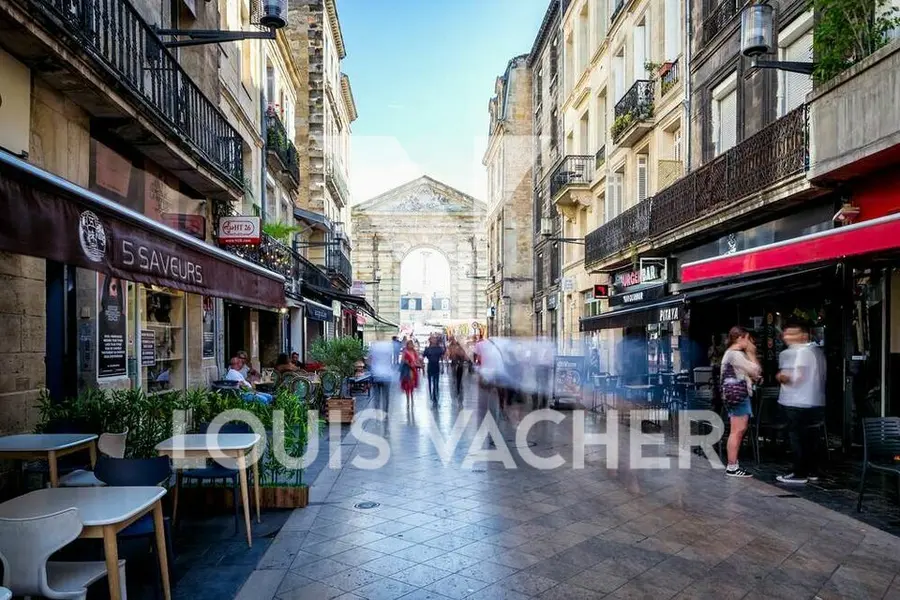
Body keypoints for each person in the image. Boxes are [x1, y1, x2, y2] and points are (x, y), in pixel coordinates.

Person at [776, 320, 826, 484]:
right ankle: (813, 471)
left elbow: (797, 377)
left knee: (797, 438)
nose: (788, 337)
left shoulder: (802, 353)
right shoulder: (816, 351)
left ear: (803, 336)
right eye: (787, 333)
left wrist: (781, 377)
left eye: (792, 333)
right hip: (814, 401)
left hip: (797, 402)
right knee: (811, 438)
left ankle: (799, 473)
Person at [721, 325, 761, 478]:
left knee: (738, 430)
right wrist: (752, 353)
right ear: (740, 338)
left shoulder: (730, 354)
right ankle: (732, 466)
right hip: (738, 396)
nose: (749, 342)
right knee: (737, 431)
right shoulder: (735, 355)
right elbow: (755, 370)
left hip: (733, 396)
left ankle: (733, 465)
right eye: (747, 339)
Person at [368, 340, 396, 409]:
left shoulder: (374, 346)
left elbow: (370, 361)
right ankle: (385, 413)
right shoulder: (389, 346)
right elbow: (390, 361)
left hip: (376, 375)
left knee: (377, 397)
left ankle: (377, 413)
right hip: (386, 376)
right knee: (386, 397)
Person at [423, 335, 445, 404]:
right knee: (430, 381)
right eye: (433, 339)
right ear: (430, 340)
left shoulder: (439, 349)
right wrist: (422, 366)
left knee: (436, 381)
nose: (434, 340)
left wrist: (442, 366)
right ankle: (431, 394)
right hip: (430, 365)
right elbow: (423, 357)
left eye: (435, 339)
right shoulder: (427, 349)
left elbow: (442, 357)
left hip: (436, 365)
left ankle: (435, 394)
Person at [399, 339, 420, 405]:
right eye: (409, 344)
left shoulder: (414, 351)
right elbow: (402, 360)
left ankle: (412, 398)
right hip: (407, 369)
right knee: (407, 384)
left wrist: (417, 363)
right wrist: (407, 362)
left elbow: (417, 359)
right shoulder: (405, 352)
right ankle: (408, 399)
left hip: (413, 369)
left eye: (411, 344)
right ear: (407, 345)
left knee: (412, 384)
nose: (411, 345)